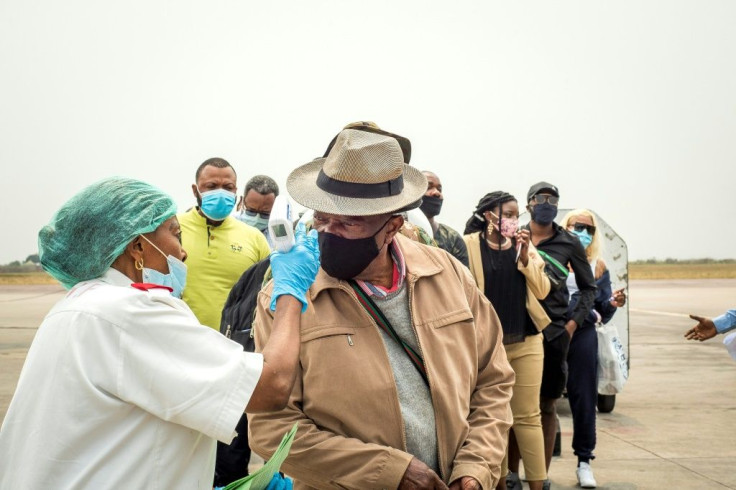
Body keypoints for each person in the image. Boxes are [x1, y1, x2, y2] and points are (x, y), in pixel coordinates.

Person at [0, 177, 320, 488]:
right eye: (175, 235)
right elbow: (272, 385)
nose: (183, 252)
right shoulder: (131, 311)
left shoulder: (74, 308)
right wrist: (290, 291)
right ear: (138, 247)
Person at [248, 129, 515, 490]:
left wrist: (474, 469)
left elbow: (494, 381)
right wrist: (388, 473)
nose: (328, 232)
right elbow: (271, 428)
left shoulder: (449, 275)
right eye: (322, 219)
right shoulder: (287, 300)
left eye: (348, 223)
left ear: (392, 226)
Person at [463, 191, 551, 490]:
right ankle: (499, 484)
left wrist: (526, 258)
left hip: (526, 341)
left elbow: (543, 290)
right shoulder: (468, 246)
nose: (515, 221)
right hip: (487, 347)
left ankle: (538, 485)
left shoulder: (523, 246)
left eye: (517, 216)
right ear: (490, 215)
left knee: (528, 417)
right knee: (494, 419)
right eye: (509, 214)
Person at [514, 182, 596, 490]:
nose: (547, 203)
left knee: (547, 405)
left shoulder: (569, 242)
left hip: (554, 332)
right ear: (529, 204)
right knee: (516, 408)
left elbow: (588, 288)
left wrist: (573, 324)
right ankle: (512, 474)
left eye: (553, 199)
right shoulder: (516, 236)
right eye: (541, 198)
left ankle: (540, 476)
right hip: (520, 330)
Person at [559, 209, 627, 489]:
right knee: (541, 398)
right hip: (553, 333)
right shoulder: (552, 258)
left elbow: (602, 311)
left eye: (589, 228)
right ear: (567, 226)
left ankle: (584, 461)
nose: (584, 232)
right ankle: (537, 459)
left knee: (584, 398)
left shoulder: (598, 266)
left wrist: (611, 304)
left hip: (584, 335)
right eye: (578, 226)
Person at [179, 157, 271, 329]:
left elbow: (268, 293)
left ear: (236, 192)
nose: (220, 193)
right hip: (180, 341)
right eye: (212, 186)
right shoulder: (173, 229)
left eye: (228, 187)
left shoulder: (255, 238)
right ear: (195, 190)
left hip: (234, 347)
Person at [420, 170, 469, 267]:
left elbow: (464, 279)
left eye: (439, 189)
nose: (437, 193)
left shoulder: (453, 238)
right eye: (428, 187)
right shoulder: (398, 229)